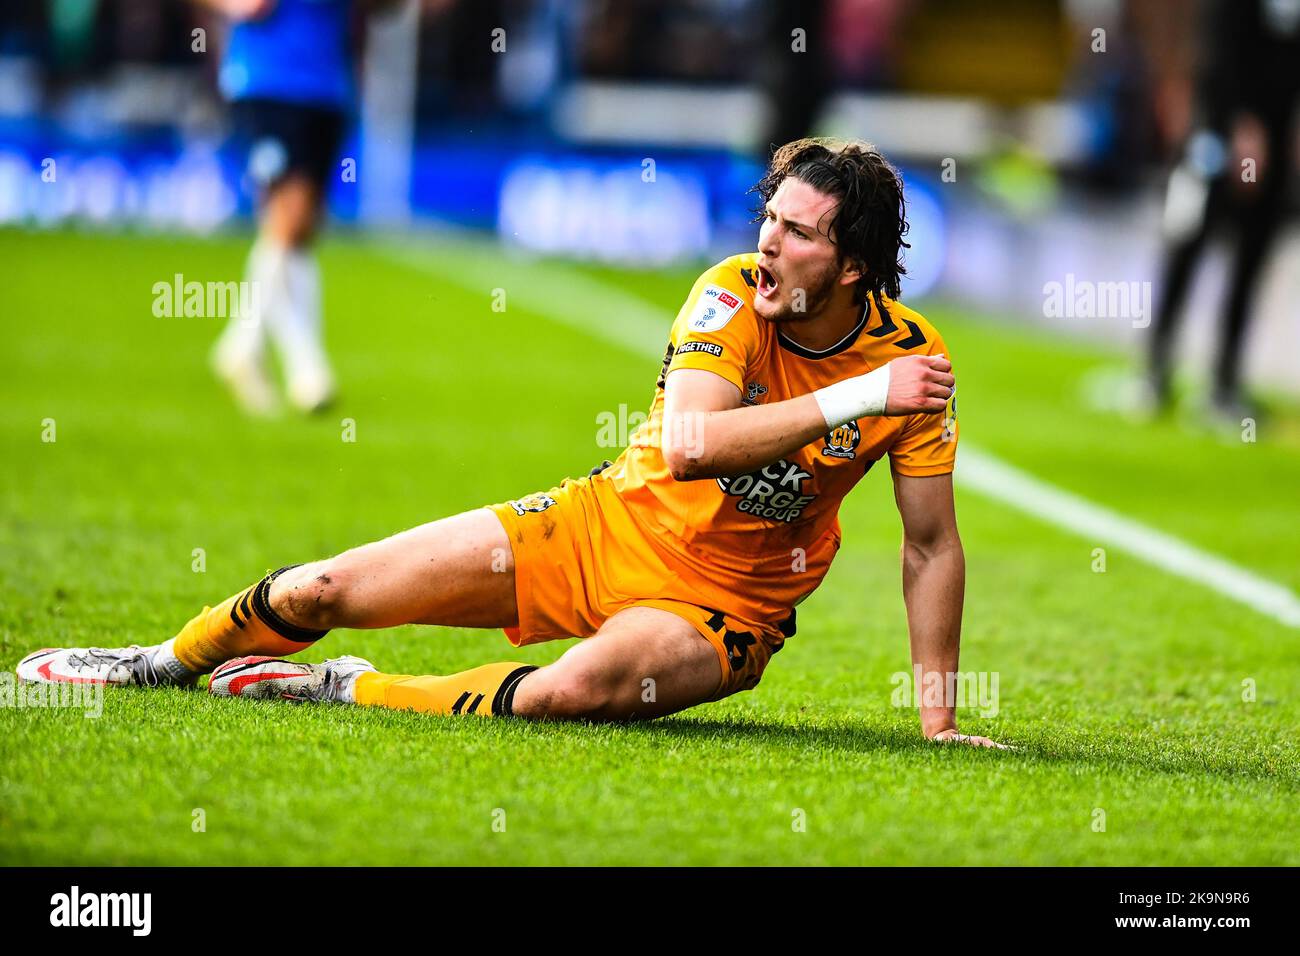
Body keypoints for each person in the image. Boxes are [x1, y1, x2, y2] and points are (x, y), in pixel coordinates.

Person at [18, 139, 1004, 747]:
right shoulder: (731, 294)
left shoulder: (915, 360)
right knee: (322, 591)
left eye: (797, 233)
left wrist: (939, 720)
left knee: (567, 694)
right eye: (769, 218)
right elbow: (693, 444)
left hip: (724, 610)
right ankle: (158, 660)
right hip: (597, 527)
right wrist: (861, 396)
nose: (767, 244)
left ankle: (342, 687)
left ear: (855, 266)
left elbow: (929, 546)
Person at [199, 0, 357, 413]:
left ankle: (242, 346)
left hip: (326, 85)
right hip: (268, 79)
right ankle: (307, 368)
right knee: (287, 218)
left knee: (299, 230)